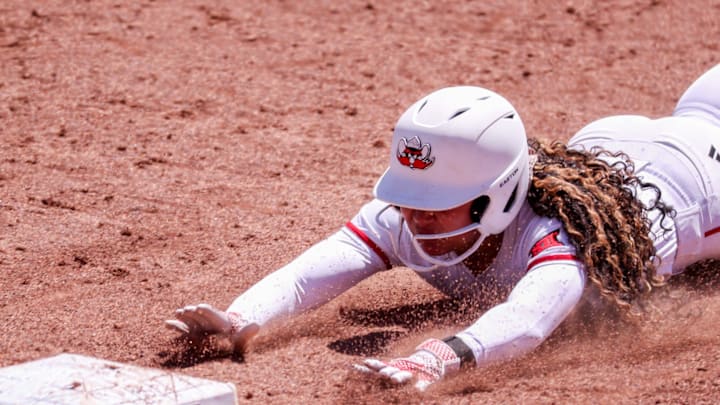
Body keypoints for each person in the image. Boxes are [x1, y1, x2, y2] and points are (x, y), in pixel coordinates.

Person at [165, 63, 720, 391]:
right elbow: (307, 276)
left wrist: (437, 356)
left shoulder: (557, 234)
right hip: (619, 146)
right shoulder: (404, 213)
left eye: (438, 202)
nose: (416, 215)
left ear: (495, 198)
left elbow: (528, 321)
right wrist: (242, 315)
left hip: (705, 178)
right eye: (411, 199)